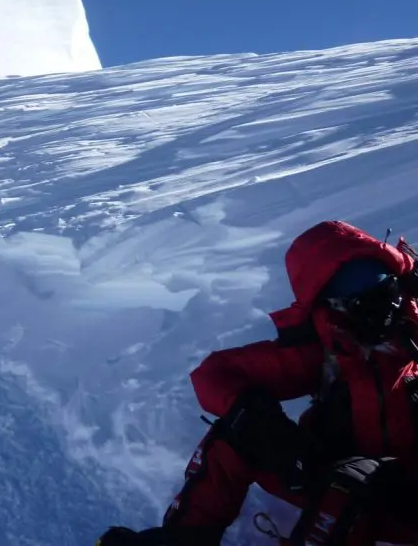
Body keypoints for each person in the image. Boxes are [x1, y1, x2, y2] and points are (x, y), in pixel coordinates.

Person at [98, 220, 418, 546]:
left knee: (350, 486)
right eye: (356, 297)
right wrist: (265, 426)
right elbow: (213, 374)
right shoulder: (331, 349)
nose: (378, 307)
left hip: (402, 500)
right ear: (331, 306)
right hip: (325, 471)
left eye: (381, 287)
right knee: (237, 432)